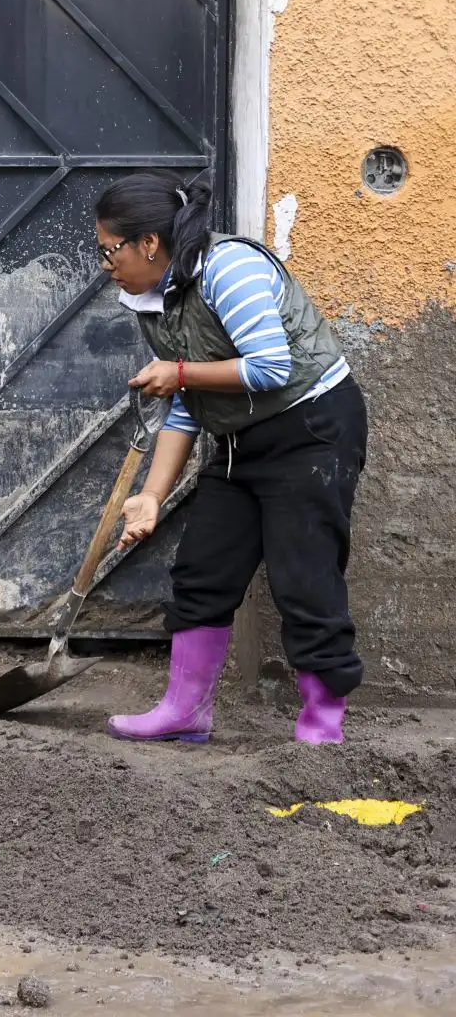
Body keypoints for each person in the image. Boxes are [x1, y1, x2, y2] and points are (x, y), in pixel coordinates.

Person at [95, 172, 366, 745]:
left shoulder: (229, 267)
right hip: (240, 440)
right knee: (203, 569)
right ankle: (184, 711)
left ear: (149, 242)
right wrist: (152, 495)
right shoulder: (154, 299)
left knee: (304, 577)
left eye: (110, 249)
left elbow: (271, 367)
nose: (105, 265)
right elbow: (189, 402)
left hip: (311, 430)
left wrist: (179, 372)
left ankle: (322, 728)